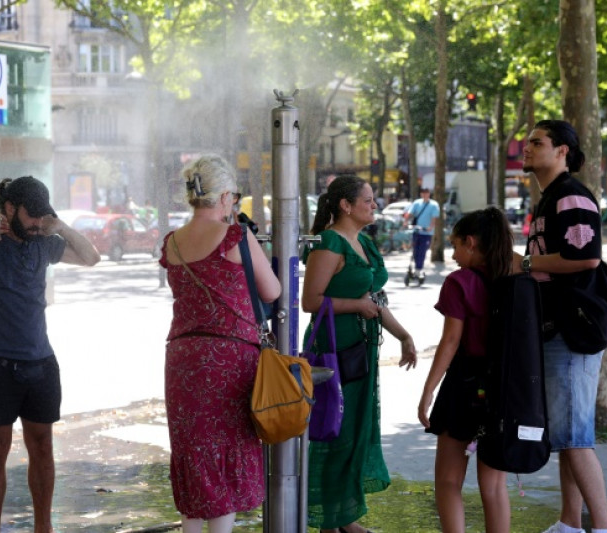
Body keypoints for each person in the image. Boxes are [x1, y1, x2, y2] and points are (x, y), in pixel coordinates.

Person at [0, 176, 101, 533]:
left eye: (43, 215)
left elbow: (91, 257)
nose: (38, 222)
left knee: (42, 446)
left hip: (40, 362)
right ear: (9, 209)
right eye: (32, 215)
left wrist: (61, 227)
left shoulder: (43, 243)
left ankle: (45, 528)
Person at [159, 155, 281, 533]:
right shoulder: (235, 236)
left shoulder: (172, 242)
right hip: (228, 359)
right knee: (224, 450)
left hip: (182, 358)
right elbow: (273, 290)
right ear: (225, 196)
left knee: (193, 451)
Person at [510, 120, 607, 533]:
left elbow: (585, 257)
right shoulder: (550, 197)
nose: (527, 148)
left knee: (574, 436)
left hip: (573, 331)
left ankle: (603, 527)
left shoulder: (570, 196)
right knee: (569, 435)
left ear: (562, 152)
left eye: (537, 143)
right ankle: (570, 522)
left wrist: (523, 264)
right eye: (527, 142)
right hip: (558, 329)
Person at [302, 175, 418, 533]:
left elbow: (376, 301)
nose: (375, 204)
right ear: (345, 206)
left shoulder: (364, 242)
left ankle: (344, 516)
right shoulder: (329, 242)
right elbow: (310, 301)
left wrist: (403, 335)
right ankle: (328, 519)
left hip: (362, 346)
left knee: (353, 429)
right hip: (333, 348)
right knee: (332, 428)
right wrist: (357, 305)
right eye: (368, 199)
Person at [418, 207, 513, 533]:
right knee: (494, 487)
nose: (454, 254)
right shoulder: (513, 278)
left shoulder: (459, 282)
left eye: (456, 245)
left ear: (471, 243)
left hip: (464, 386)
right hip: (503, 387)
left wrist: (428, 390)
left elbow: (451, 340)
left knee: (447, 481)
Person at [405, 187, 440, 280]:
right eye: (423, 193)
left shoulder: (433, 205)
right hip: (416, 231)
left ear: (429, 194)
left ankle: (419, 269)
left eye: (426, 193)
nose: (425, 195)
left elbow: (434, 218)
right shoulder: (417, 203)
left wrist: (430, 227)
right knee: (415, 251)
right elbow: (410, 213)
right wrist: (405, 221)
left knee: (422, 251)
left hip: (426, 233)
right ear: (421, 194)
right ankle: (416, 268)